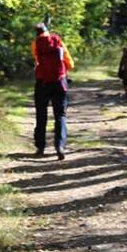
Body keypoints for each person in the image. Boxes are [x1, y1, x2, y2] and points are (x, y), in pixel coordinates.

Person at [32, 23, 74, 160]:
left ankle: (40, 147)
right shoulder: (57, 40)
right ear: (47, 31)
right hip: (59, 82)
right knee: (60, 115)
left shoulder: (35, 43)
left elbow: (36, 60)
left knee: (41, 114)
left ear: (36, 33)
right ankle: (59, 146)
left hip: (42, 82)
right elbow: (70, 63)